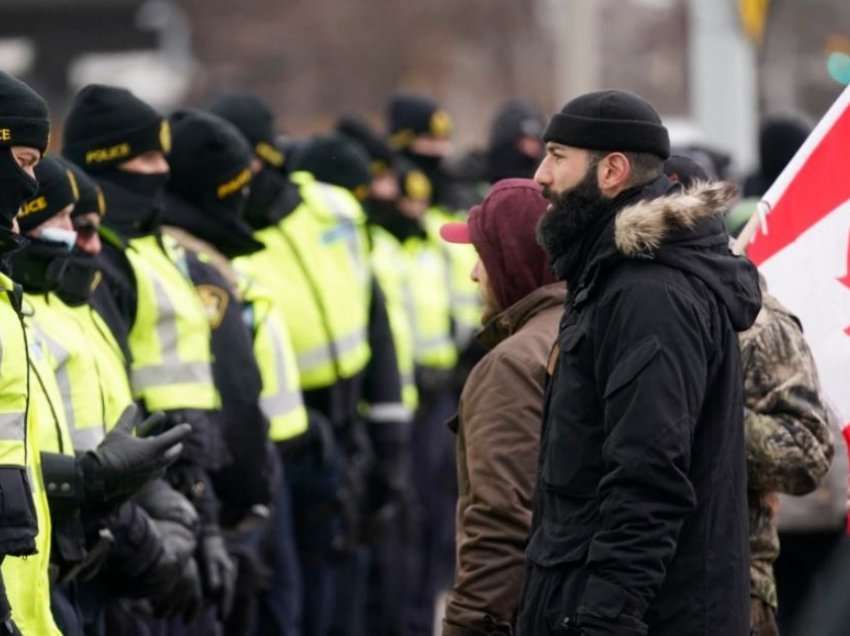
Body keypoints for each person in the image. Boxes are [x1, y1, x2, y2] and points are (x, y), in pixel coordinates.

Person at [518, 89, 762, 636]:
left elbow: (647, 480)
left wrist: (602, 620)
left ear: (612, 171)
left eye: (557, 156)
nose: (540, 174)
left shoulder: (649, 295)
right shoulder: (611, 277)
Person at [62, 84, 230, 632]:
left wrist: (203, 522)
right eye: (146, 156)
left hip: (183, 487)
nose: (161, 171)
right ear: (108, 160)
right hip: (139, 504)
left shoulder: (156, 247)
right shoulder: (99, 262)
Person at [437, 179, 563, 636]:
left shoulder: (511, 366)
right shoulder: (594, 329)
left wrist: (467, 626)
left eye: (483, 256)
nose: (474, 273)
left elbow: (501, 526)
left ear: (512, 262)